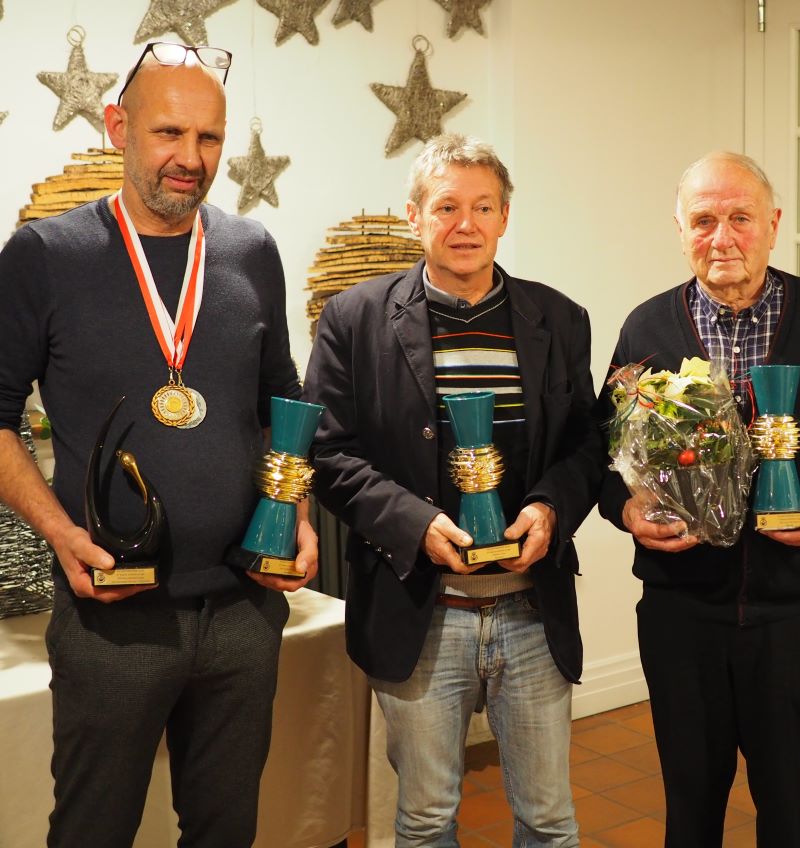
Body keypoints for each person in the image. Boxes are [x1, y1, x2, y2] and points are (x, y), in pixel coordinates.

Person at [0, 43, 317, 848]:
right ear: (118, 127)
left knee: (225, 831)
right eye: (169, 132)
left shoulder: (252, 250)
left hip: (244, 609)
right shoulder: (45, 256)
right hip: (114, 616)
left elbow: (281, 401)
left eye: (209, 137)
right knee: (93, 831)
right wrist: (60, 533)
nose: (191, 157)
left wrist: (300, 516)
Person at [304, 133, 602, 847]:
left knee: (550, 821)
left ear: (505, 216)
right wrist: (414, 524)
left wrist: (550, 509)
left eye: (482, 207)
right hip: (421, 609)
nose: (465, 224)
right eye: (445, 207)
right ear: (415, 216)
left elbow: (587, 444)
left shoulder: (560, 319)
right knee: (426, 820)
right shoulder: (353, 319)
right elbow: (328, 451)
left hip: (531, 609)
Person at [596, 151, 800, 847]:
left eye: (741, 218)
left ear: (773, 224)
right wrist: (627, 509)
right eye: (704, 220)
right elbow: (602, 447)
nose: (722, 237)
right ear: (680, 229)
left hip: (794, 610)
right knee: (689, 804)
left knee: (787, 803)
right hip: (680, 611)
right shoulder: (647, 327)